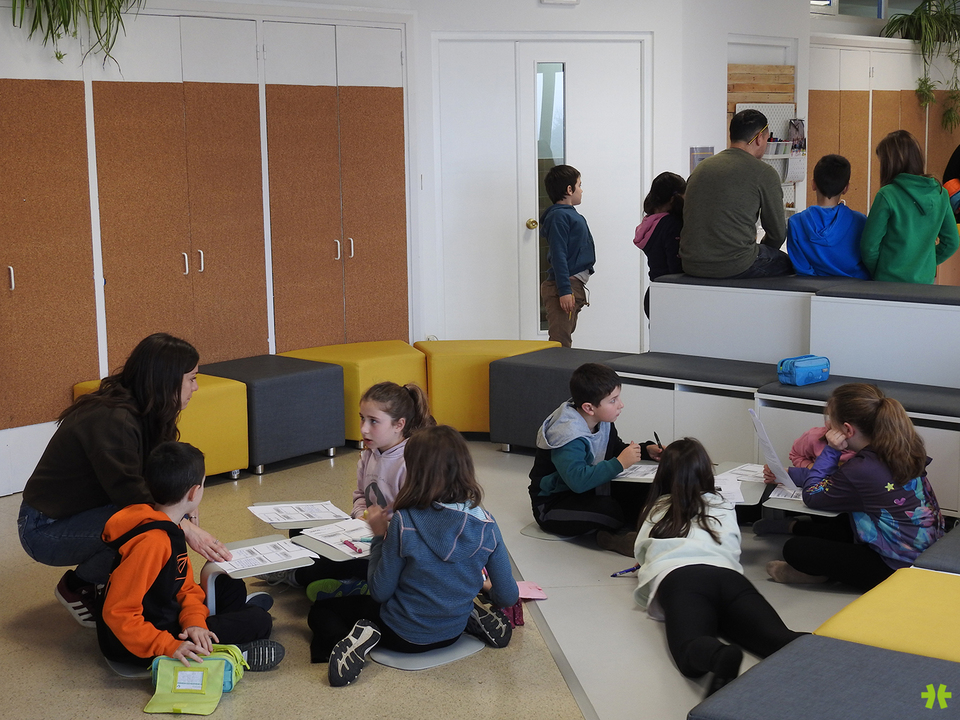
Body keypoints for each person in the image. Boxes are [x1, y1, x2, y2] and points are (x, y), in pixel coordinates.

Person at [18, 333, 231, 628]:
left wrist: (187, 509)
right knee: (148, 528)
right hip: (44, 529)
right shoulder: (112, 420)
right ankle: (77, 586)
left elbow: (163, 472)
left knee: (161, 523)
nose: (195, 387)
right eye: (191, 379)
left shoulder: (147, 408)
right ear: (166, 380)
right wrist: (185, 528)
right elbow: (133, 496)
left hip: (87, 511)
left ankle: (120, 587)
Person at [307, 425, 519, 687]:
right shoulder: (488, 524)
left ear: (415, 472)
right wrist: (486, 588)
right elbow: (508, 596)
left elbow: (380, 591)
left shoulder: (404, 522)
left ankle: (361, 635)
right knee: (453, 592)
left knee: (321, 610)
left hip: (401, 636)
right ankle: (468, 615)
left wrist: (378, 536)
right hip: (452, 633)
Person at [634, 438, 804, 698]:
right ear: (706, 471)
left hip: (681, 578)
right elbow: (733, 544)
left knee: (690, 647)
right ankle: (835, 652)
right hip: (729, 578)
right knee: (777, 638)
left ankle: (719, 654)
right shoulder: (723, 504)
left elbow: (641, 553)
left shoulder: (656, 508)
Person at [98, 442, 284, 670]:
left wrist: (194, 622)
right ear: (194, 492)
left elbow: (183, 587)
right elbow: (118, 612)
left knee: (228, 582)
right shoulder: (153, 543)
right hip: (143, 640)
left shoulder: (169, 526)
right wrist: (168, 645)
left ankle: (231, 621)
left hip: (163, 614)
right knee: (260, 621)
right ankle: (232, 651)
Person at [261, 382, 435, 600]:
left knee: (328, 564)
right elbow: (361, 496)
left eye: (373, 421)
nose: (364, 428)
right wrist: (359, 516)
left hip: (389, 547)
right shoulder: (369, 453)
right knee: (300, 531)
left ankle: (299, 575)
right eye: (362, 418)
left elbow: (416, 525)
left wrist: (379, 528)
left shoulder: (410, 462)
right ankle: (346, 580)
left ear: (399, 424)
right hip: (364, 532)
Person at [764, 383, 944, 591]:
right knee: (839, 522)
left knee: (795, 549)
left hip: (895, 567)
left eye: (831, 422)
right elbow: (840, 480)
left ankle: (815, 572)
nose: (828, 427)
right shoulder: (896, 447)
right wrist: (791, 474)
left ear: (847, 430)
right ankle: (795, 527)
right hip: (923, 548)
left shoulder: (861, 468)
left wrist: (831, 450)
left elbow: (812, 495)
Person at [528, 362, 661, 553]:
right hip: (553, 504)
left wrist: (645, 449)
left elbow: (614, 449)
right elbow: (578, 481)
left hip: (590, 491)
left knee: (647, 492)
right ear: (589, 408)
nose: (621, 404)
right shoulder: (568, 435)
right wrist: (620, 463)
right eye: (613, 400)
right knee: (610, 512)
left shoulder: (602, 419)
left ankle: (636, 530)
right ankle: (613, 539)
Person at [680, 109, 793, 279]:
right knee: (792, 264)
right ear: (759, 138)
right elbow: (777, 234)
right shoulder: (764, 172)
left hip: (691, 263)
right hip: (734, 265)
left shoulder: (701, 168)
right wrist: (761, 250)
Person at [860, 130, 959, 283]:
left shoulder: (887, 194)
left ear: (890, 164)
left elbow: (869, 246)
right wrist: (927, 264)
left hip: (888, 282)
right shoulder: (941, 194)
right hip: (924, 282)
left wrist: (880, 270)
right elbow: (952, 242)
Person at [539, 164, 596, 347]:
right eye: (579, 185)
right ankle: (555, 367)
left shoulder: (569, 215)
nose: (581, 190)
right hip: (563, 286)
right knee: (560, 342)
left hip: (573, 285)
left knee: (564, 338)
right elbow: (558, 254)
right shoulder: (559, 217)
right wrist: (564, 290)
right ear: (569, 189)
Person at [786, 154, 869, 279]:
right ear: (846, 188)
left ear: (813, 184)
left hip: (814, 289)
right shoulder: (860, 222)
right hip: (856, 287)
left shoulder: (796, 223)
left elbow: (802, 270)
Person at [634, 171, 685, 318]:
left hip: (654, 292)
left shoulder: (650, 223)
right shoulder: (671, 224)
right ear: (674, 198)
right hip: (670, 295)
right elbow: (676, 266)